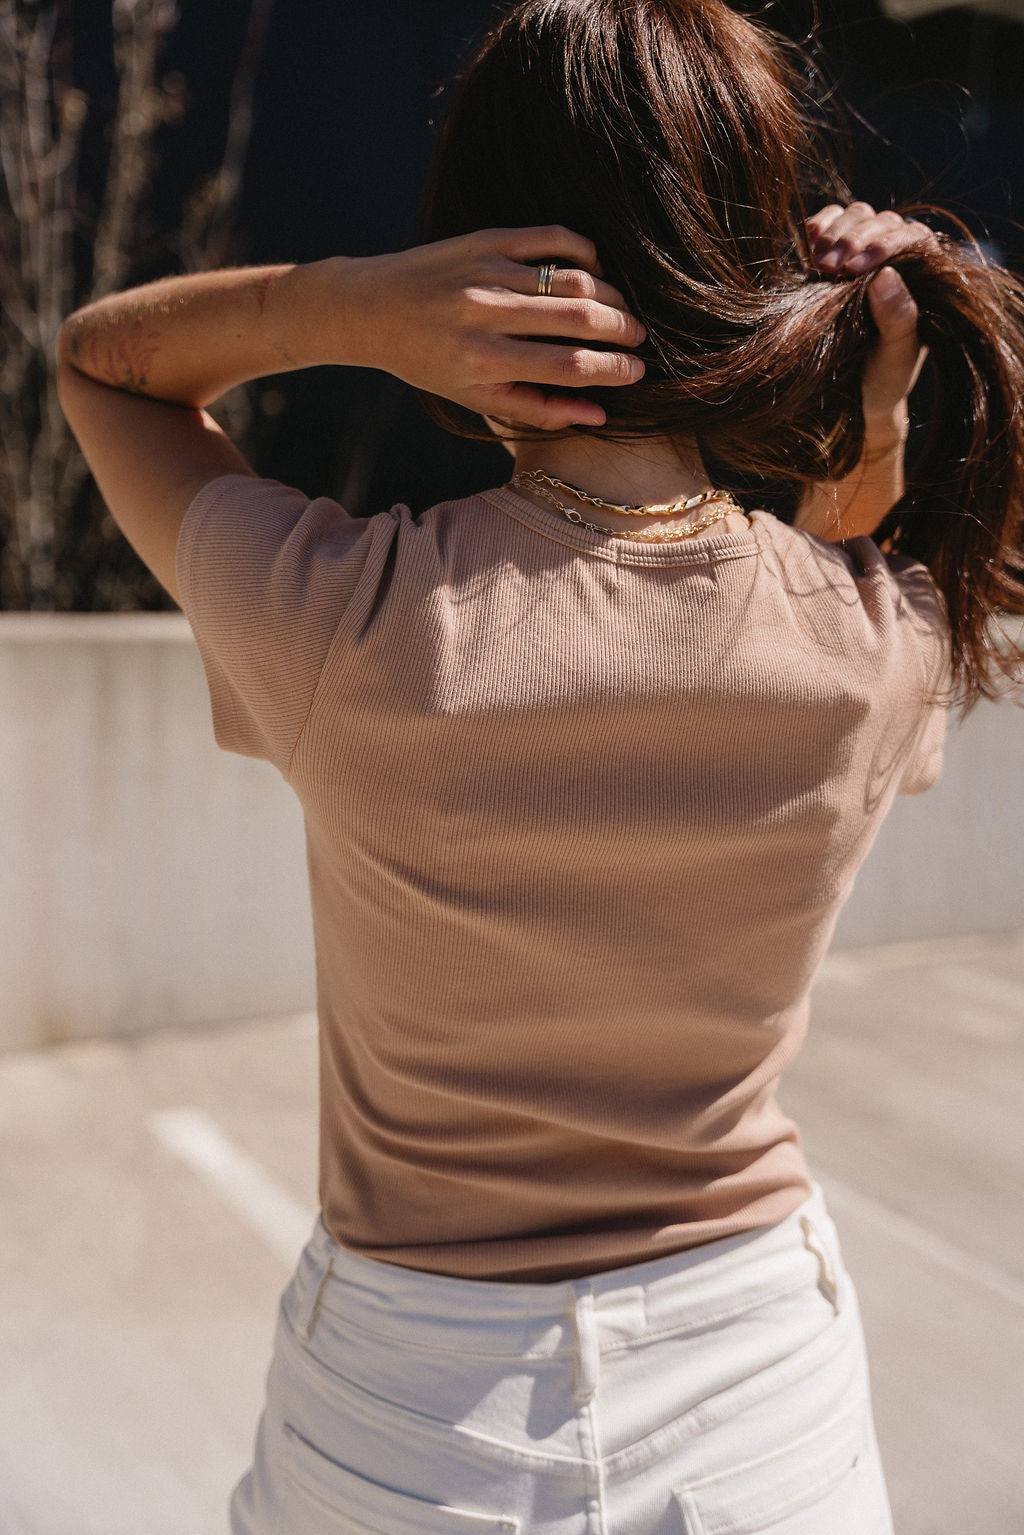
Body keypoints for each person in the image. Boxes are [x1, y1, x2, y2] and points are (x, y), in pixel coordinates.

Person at [57, 2, 1024, 1532]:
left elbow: (104, 368)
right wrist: (877, 416)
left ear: (469, 255)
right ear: (751, 277)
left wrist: (353, 302)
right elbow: (846, 569)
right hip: (760, 1403)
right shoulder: (864, 648)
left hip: (409, 1418)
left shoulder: (354, 622)